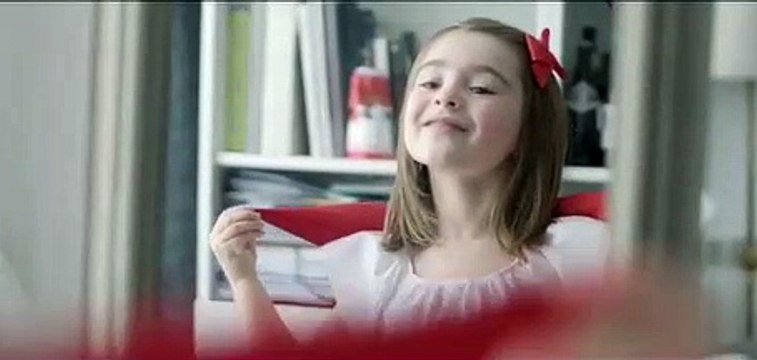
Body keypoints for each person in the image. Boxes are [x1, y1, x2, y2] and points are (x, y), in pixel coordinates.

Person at [208, 17, 610, 349]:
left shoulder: (577, 256)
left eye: (481, 88)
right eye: (430, 82)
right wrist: (245, 280)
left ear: (529, 132)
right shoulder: (374, 271)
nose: (446, 96)